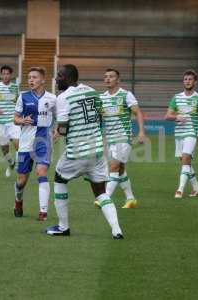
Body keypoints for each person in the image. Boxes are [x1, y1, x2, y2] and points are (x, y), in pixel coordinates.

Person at [45, 64, 123, 239]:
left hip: (77, 152)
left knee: (59, 178)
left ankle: (63, 227)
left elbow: (63, 126)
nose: (56, 79)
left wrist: (58, 132)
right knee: (100, 192)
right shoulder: (92, 91)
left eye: (59, 75)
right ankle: (116, 230)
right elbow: (100, 116)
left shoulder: (64, 97)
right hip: (97, 151)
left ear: (68, 78)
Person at [96, 68, 145, 209]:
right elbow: (98, 118)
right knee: (120, 169)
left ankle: (104, 198)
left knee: (114, 166)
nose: (107, 79)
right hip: (110, 139)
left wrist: (141, 131)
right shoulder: (102, 98)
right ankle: (130, 199)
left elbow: (138, 112)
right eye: (105, 76)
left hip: (123, 137)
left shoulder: (126, 95)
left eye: (111, 76)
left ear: (118, 80)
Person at [13, 67, 56, 221]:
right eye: (29, 77)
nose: (31, 80)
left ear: (43, 80)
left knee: (42, 172)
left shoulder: (52, 98)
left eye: (34, 77)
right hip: (25, 143)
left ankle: (43, 212)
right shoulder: (23, 96)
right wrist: (22, 120)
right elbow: (15, 118)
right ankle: (18, 201)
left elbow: (58, 117)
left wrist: (56, 131)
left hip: (43, 140)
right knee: (21, 181)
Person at [165, 69, 198, 198]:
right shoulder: (176, 97)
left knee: (185, 158)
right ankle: (196, 189)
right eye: (185, 79)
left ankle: (180, 190)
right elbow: (167, 115)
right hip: (179, 134)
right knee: (185, 162)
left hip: (191, 133)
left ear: (195, 82)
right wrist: (176, 117)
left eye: (190, 79)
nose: (187, 81)